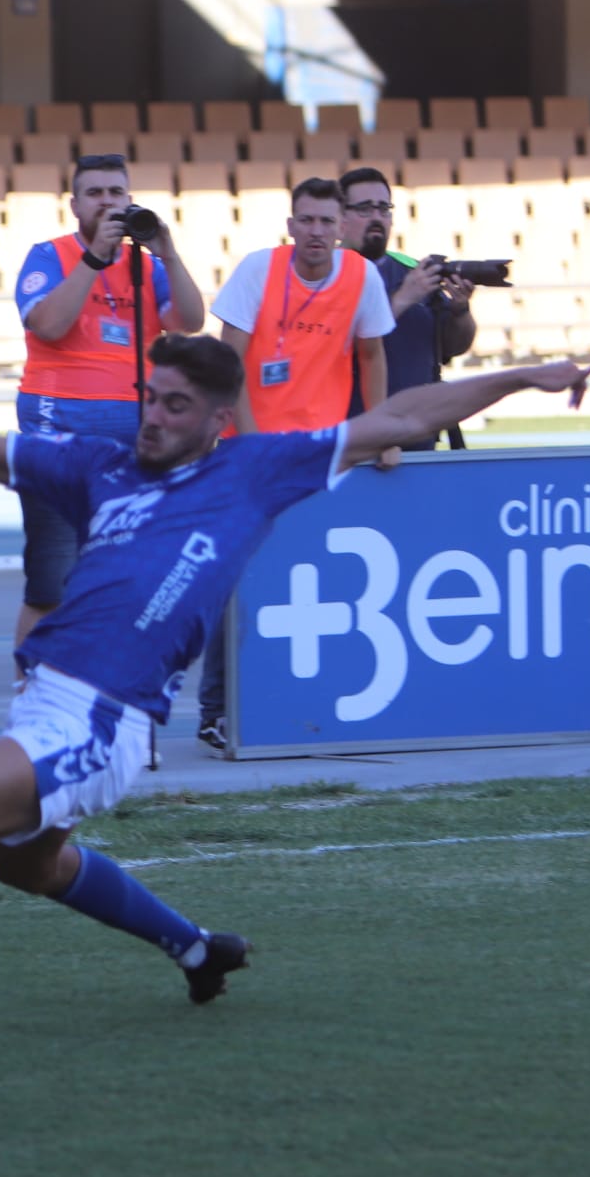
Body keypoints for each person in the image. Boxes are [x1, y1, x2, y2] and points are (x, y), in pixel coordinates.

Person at [0, 334, 590, 1021]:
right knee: (27, 868)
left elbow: (401, 416)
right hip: (43, 701)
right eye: (149, 396)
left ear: (217, 420)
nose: (153, 416)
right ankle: (197, 949)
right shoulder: (100, 467)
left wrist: (521, 378)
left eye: (176, 405)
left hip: (104, 723)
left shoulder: (254, 469)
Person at [193, 177, 398, 751]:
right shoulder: (259, 270)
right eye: (305, 220)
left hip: (319, 454)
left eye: (326, 222)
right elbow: (226, 364)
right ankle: (217, 711)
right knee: (236, 581)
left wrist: (382, 430)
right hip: (250, 449)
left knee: (310, 580)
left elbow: (372, 353)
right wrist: (251, 447)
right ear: (290, 225)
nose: (315, 231)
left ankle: (302, 700)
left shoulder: (361, 277)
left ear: (341, 228)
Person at [10, 152, 206, 652]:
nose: (107, 202)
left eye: (116, 192)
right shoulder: (48, 255)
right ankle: (29, 693)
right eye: (95, 193)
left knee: (124, 576)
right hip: (59, 436)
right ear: (74, 204)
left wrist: (171, 254)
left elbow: (189, 321)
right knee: (52, 580)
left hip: (131, 442)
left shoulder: (145, 265)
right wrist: (94, 259)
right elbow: (49, 325)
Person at [337, 166, 478, 449]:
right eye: (365, 209)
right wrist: (402, 299)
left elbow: (453, 347)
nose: (377, 217)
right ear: (340, 218)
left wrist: (460, 311)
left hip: (418, 438)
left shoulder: (413, 271)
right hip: (349, 442)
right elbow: (334, 346)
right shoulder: (322, 276)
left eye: (384, 209)